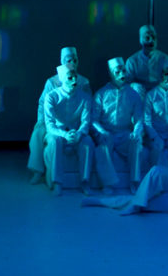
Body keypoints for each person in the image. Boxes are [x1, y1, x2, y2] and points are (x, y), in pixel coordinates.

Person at [28, 46, 91, 185]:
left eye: (75, 60)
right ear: (62, 61)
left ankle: (84, 180)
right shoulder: (52, 82)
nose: (72, 63)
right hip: (54, 120)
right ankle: (38, 170)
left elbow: (87, 104)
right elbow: (43, 103)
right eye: (69, 60)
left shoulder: (84, 81)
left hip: (75, 121)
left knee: (87, 139)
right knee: (38, 133)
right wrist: (41, 121)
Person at [92, 57, 144, 194]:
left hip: (124, 133)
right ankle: (108, 184)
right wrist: (102, 132)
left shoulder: (133, 95)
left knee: (136, 143)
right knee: (103, 147)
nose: (121, 74)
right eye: (117, 71)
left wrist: (136, 132)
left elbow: (139, 119)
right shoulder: (101, 94)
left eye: (123, 71)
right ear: (111, 73)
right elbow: (93, 119)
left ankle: (135, 181)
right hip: (106, 132)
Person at [42, 64, 93, 196]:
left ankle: (85, 181)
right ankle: (57, 182)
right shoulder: (51, 96)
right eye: (70, 78)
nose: (74, 80)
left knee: (88, 142)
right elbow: (50, 125)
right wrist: (64, 134)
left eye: (75, 77)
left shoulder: (85, 97)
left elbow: (85, 122)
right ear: (62, 79)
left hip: (76, 133)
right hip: (56, 133)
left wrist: (79, 133)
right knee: (55, 142)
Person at [125, 24, 168, 100]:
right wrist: (134, 85)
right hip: (139, 97)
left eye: (153, 37)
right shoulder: (132, 61)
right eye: (147, 37)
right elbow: (126, 83)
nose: (151, 41)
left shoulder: (165, 59)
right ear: (141, 39)